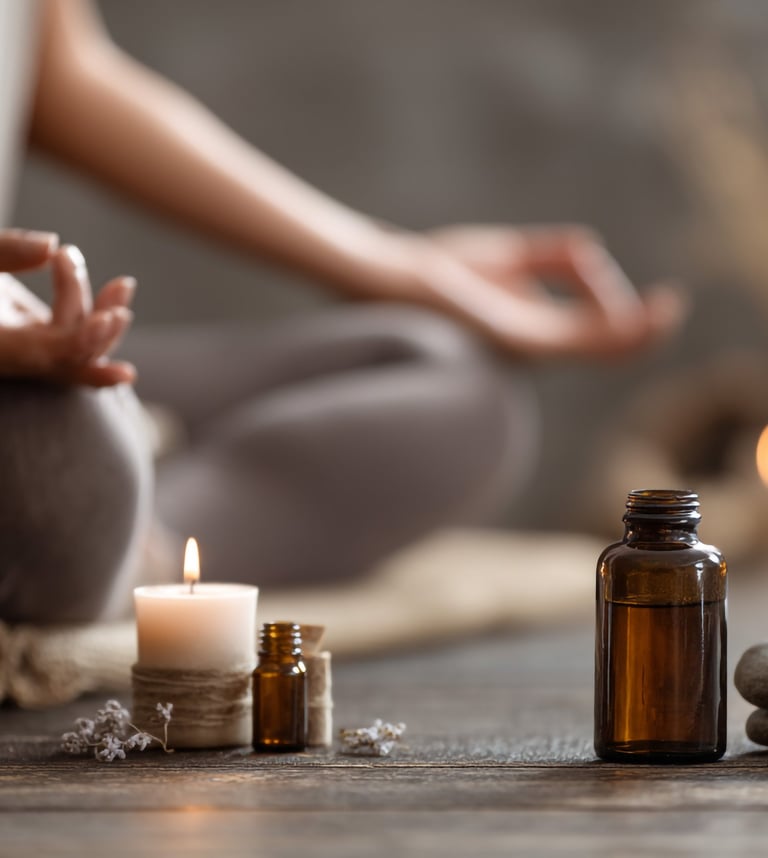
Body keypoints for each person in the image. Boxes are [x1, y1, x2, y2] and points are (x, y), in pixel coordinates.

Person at [0, 1, 684, 623]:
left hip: (39, 350)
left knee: (451, 385)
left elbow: (67, 71)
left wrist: (403, 268)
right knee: (54, 446)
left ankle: (133, 530)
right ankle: (110, 525)